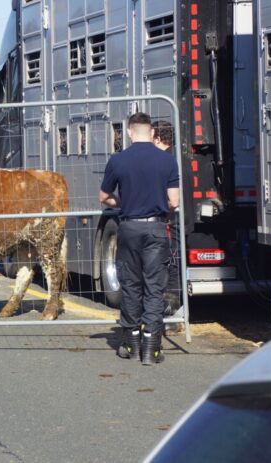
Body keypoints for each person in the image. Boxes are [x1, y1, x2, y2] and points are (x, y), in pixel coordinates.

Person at [99, 113, 179, 365]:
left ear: (130, 132)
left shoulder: (118, 160)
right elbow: (174, 202)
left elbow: (104, 197)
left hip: (129, 228)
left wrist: (124, 203)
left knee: (131, 286)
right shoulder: (167, 161)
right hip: (156, 228)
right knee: (154, 287)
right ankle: (151, 348)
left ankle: (130, 344)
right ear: (152, 133)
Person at [151, 121, 182, 316]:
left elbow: (172, 199)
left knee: (169, 266)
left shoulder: (164, 161)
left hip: (167, 220)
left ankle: (170, 312)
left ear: (158, 138)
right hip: (173, 220)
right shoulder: (173, 158)